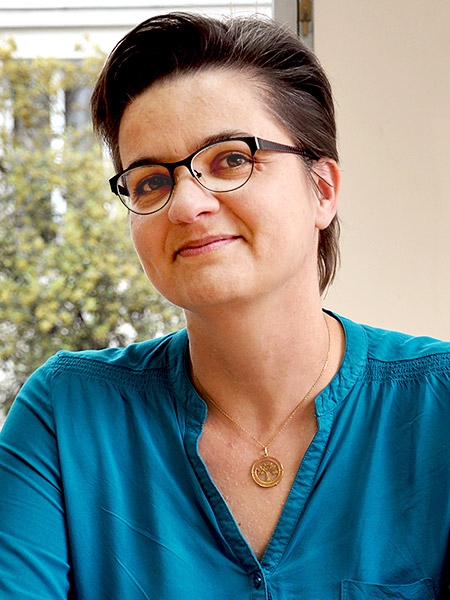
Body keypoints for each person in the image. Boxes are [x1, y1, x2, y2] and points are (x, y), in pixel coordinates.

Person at [0, 12, 449, 600]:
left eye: (232, 159)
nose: (187, 205)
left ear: (322, 190)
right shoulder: (65, 416)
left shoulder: (438, 407)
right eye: (150, 181)